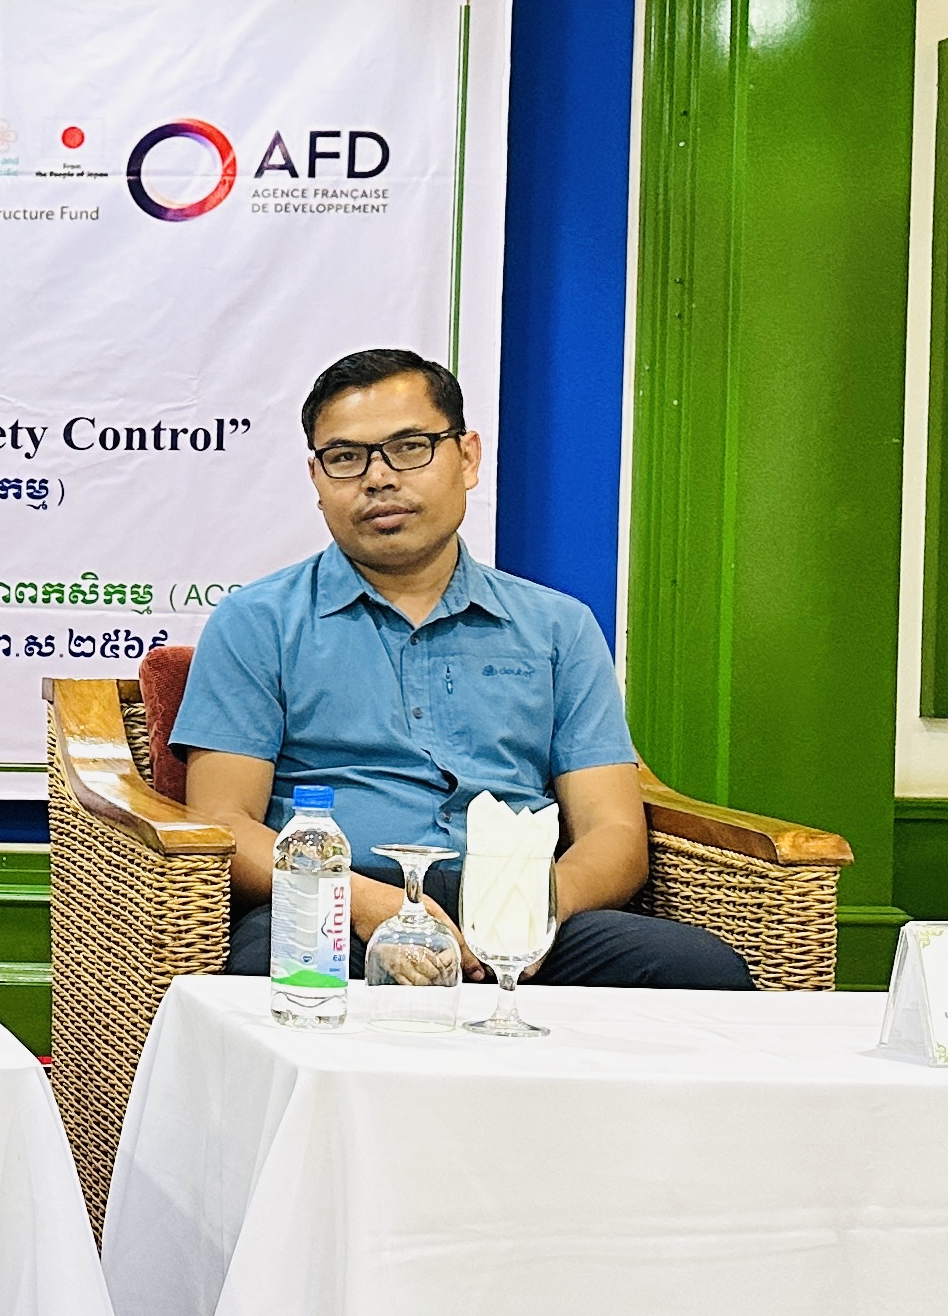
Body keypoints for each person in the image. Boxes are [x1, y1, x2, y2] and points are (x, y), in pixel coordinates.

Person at [171, 347, 749, 991]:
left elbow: (614, 830)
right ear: (316, 477)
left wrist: (530, 908)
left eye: (409, 448)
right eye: (346, 457)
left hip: (523, 895)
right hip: (337, 900)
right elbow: (224, 823)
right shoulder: (257, 622)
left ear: (468, 458)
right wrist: (367, 905)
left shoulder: (557, 626)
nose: (378, 478)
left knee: (699, 970)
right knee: (279, 974)